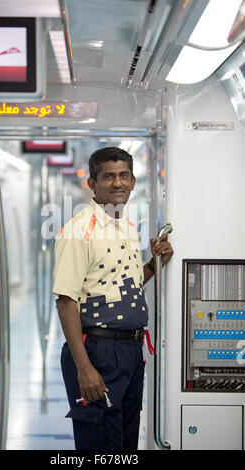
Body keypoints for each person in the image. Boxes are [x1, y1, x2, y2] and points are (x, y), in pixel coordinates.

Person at [53, 147, 173, 450]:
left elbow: (124, 284)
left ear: (133, 182)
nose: (117, 183)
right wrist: (84, 368)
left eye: (123, 176)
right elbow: (66, 301)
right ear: (92, 183)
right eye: (108, 176)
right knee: (101, 444)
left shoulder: (127, 227)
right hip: (97, 350)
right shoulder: (79, 230)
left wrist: (154, 264)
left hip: (131, 351)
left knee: (125, 441)